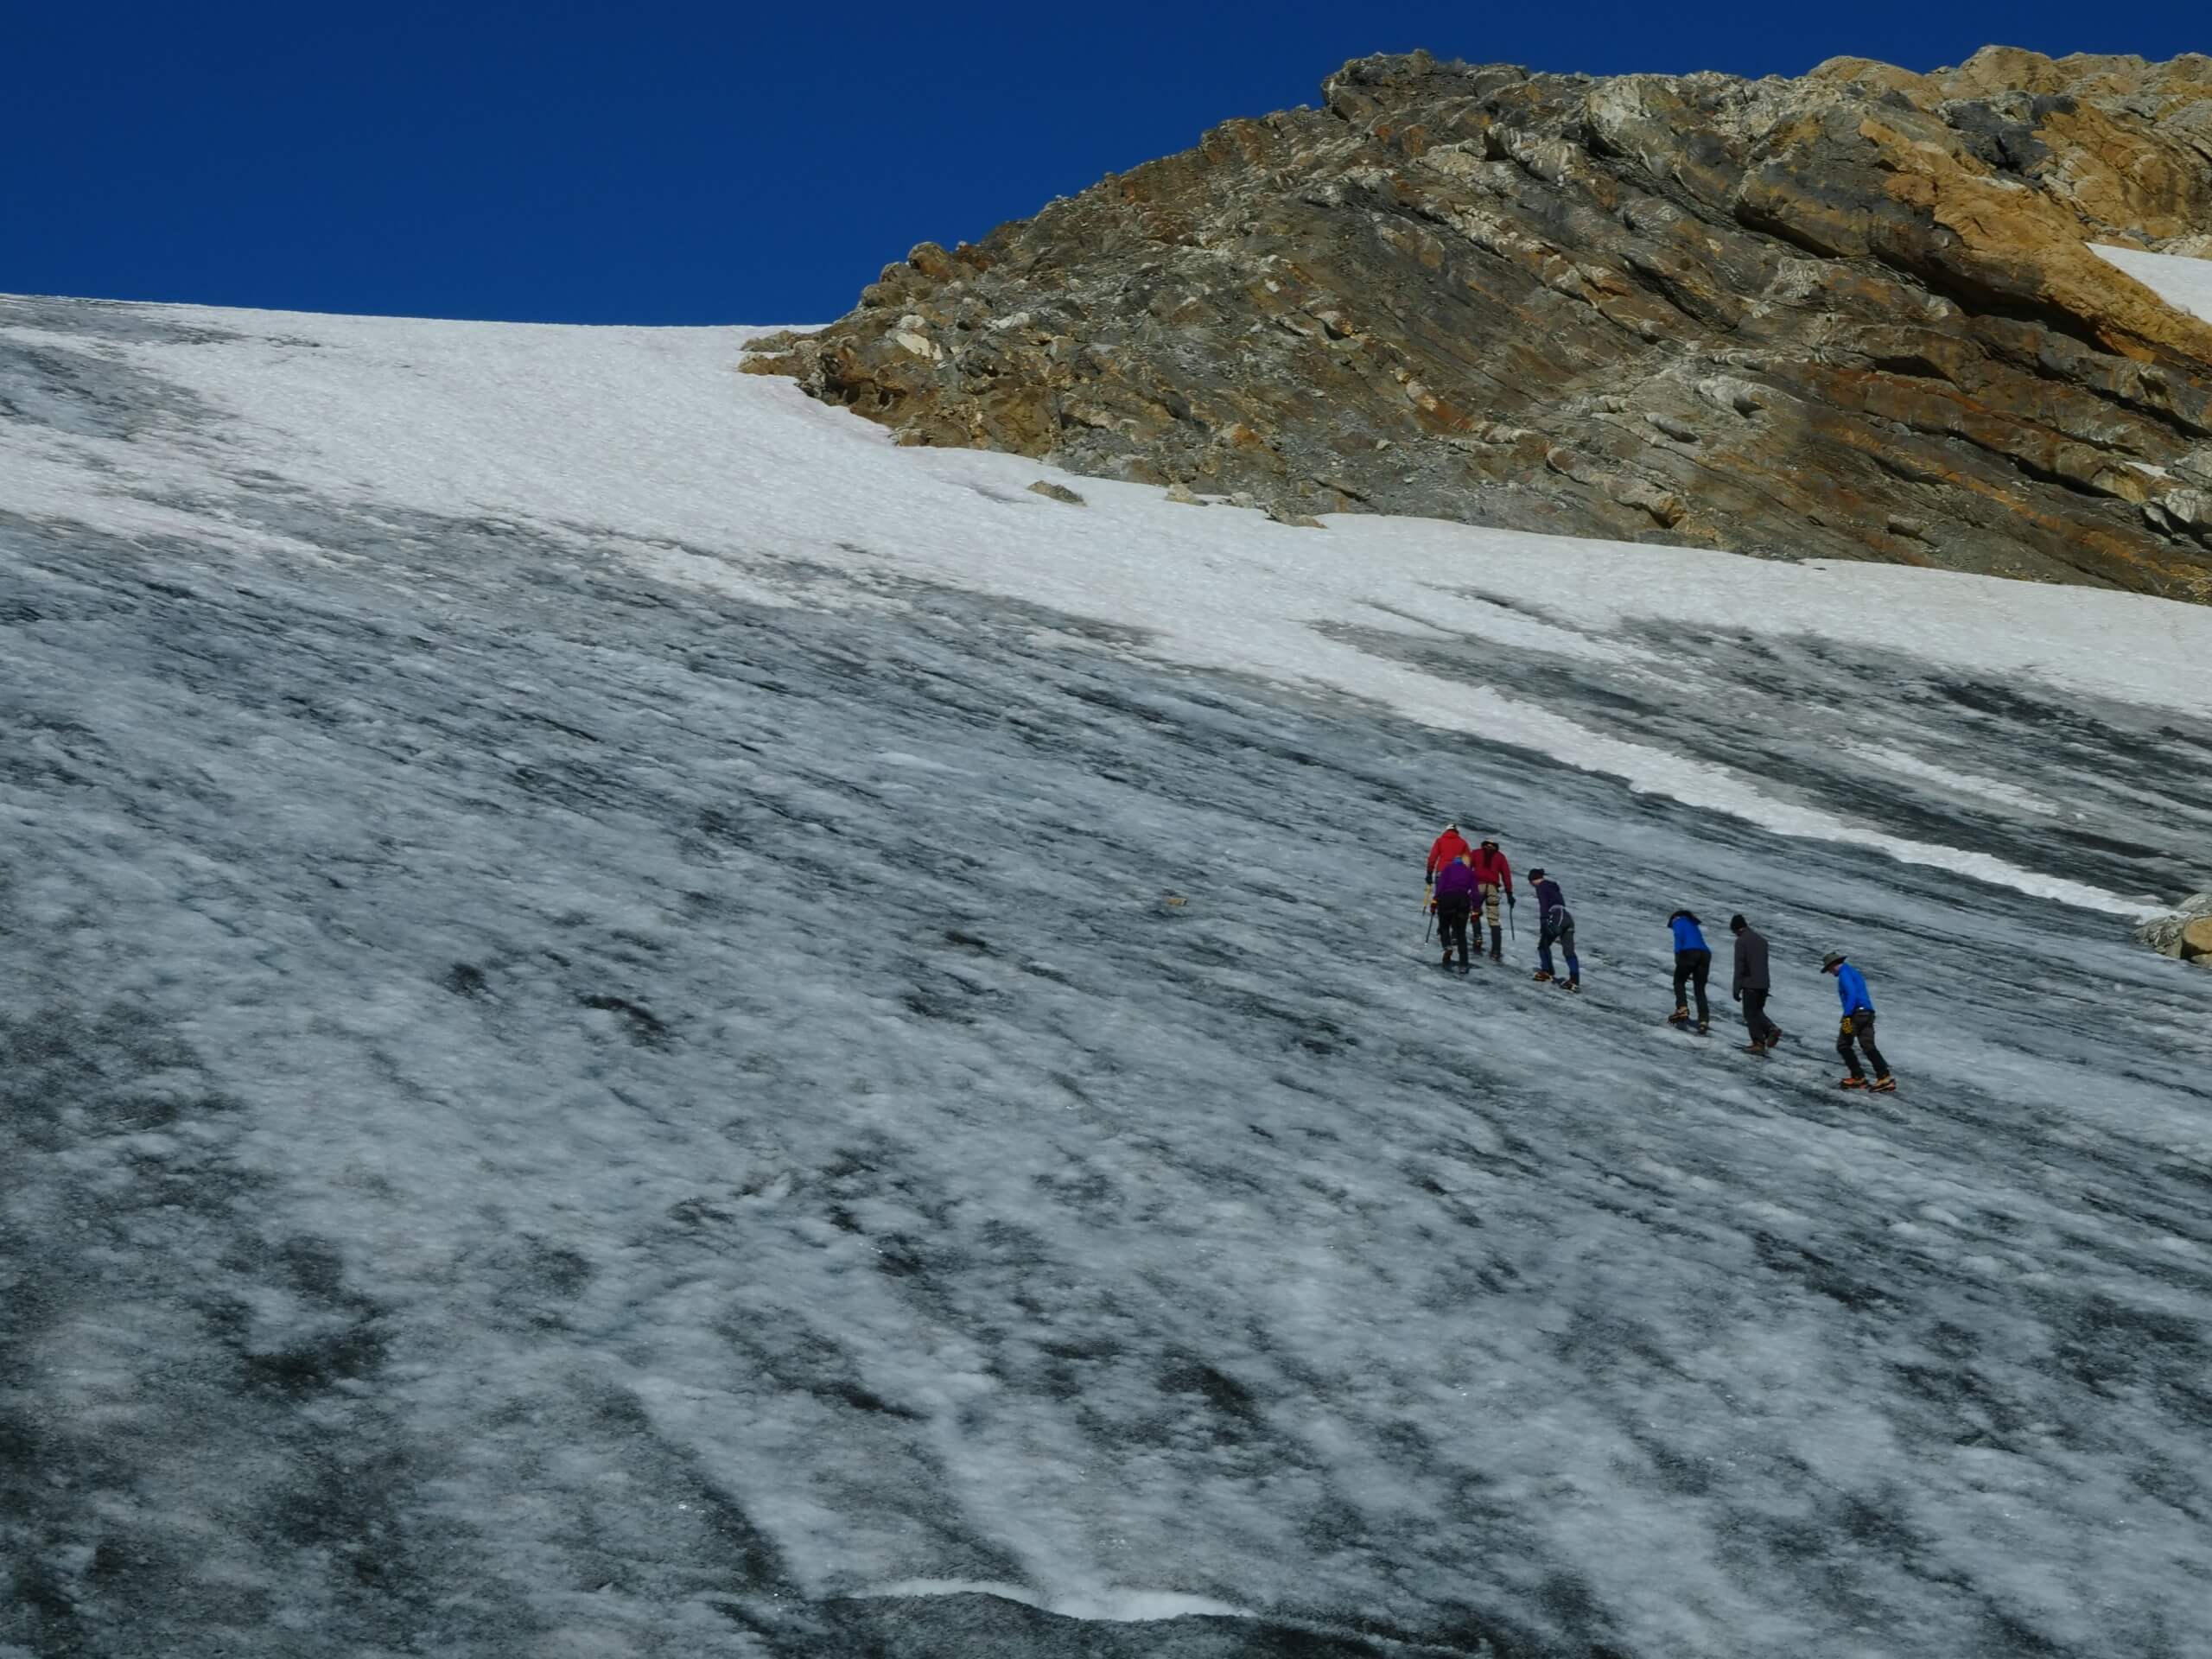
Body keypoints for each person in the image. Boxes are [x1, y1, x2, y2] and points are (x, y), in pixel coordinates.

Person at [1823, 951, 1895, 1090]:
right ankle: (1884, 1077)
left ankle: (1858, 1077)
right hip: (1867, 1013)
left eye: (1829, 969)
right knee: (1868, 1046)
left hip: (1855, 1015)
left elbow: (1851, 995)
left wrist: (1846, 1016)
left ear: (1833, 965)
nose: (1830, 973)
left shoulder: (1844, 975)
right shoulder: (1852, 971)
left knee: (1843, 1045)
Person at [1730, 914, 1783, 1052]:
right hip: (1764, 983)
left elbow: (1740, 966)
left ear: (1736, 929)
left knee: (1750, 1013)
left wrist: (1736, 988)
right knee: (1757, 1011)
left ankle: (1758, 1043)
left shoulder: (1742, 941)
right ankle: (1771, 1029)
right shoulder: (1761, 940)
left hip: (1750, 983)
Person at [1528, 868, 1579, 991]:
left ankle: (1547, 971)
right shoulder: (1553, 886)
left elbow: (1544, 904)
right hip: (1567, 918)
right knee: (1569, 951)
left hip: (1556, 916)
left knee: (1543, 945)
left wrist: (1543, 921)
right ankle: (1574, 980)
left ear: (1533, 880)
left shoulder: (1541, 887)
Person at [1470, 837, 1515, 962]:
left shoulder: (1476, 853)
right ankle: (1496, 951)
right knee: (1494, 919)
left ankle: (1478, 937)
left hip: (1477, 886)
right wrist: (1509, 892)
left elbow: (1467, 867)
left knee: (1474, 911)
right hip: (1493, 888)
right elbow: (1506, 874)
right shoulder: (1500, 856)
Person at [1667, 910, 1711, 1033]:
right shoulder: (1692, 924)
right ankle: (1704, 1020)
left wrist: (1678, 960)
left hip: (1689, 952)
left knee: (1678, 981)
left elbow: (1678, 938)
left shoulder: (1678, 921)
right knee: (1700, 989)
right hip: (1705, 954)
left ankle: (1682, 1009)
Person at [1432, 853, 1478, 970]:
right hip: (1463, 901)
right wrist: (1475, 910)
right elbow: (1475, 892)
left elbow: (1441, 885)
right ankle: (1463, 964)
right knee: (1461, 933)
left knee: (1444, 926)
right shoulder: (1470, 873)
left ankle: (1447, 946)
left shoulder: (1448, 869)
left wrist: (1435, 899)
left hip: (1448, 899)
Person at [1425, 823, 1471, 887]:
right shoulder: (1463, 843)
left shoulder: (1440, 840)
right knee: (1452, 895)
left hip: (1441, 872)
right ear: (1457, 832)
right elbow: (1468, 862)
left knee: (1439, 895)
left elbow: (1433, 857)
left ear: (1446, 830)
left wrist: (1429, 873)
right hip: (1456, 874)